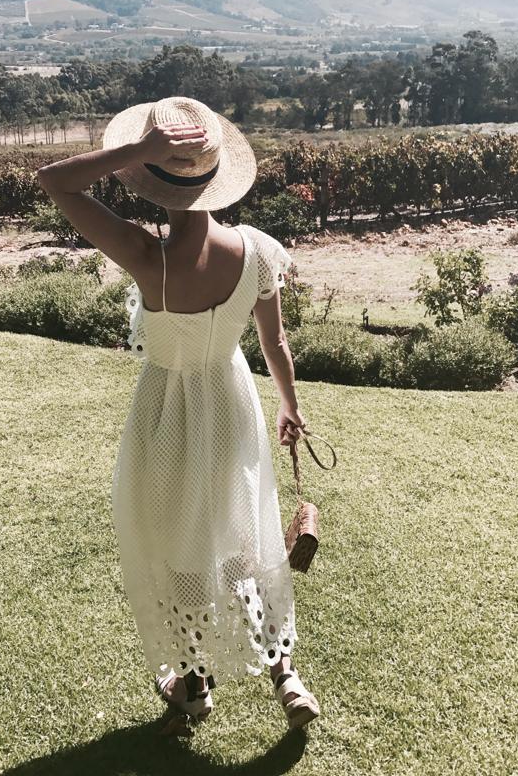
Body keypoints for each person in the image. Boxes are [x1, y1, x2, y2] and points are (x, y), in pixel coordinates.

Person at [37, 95, 320, 735]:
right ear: (217, 177)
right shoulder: (256, 251)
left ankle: (194, 690)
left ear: (153, 182)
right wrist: (290, 407)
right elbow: (275, 343)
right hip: (232, 404)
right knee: (243, 537)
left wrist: (139, 149)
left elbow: (54, 182)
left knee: (182, 550)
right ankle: (284, 673)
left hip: (165, 415)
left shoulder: (147, 255)